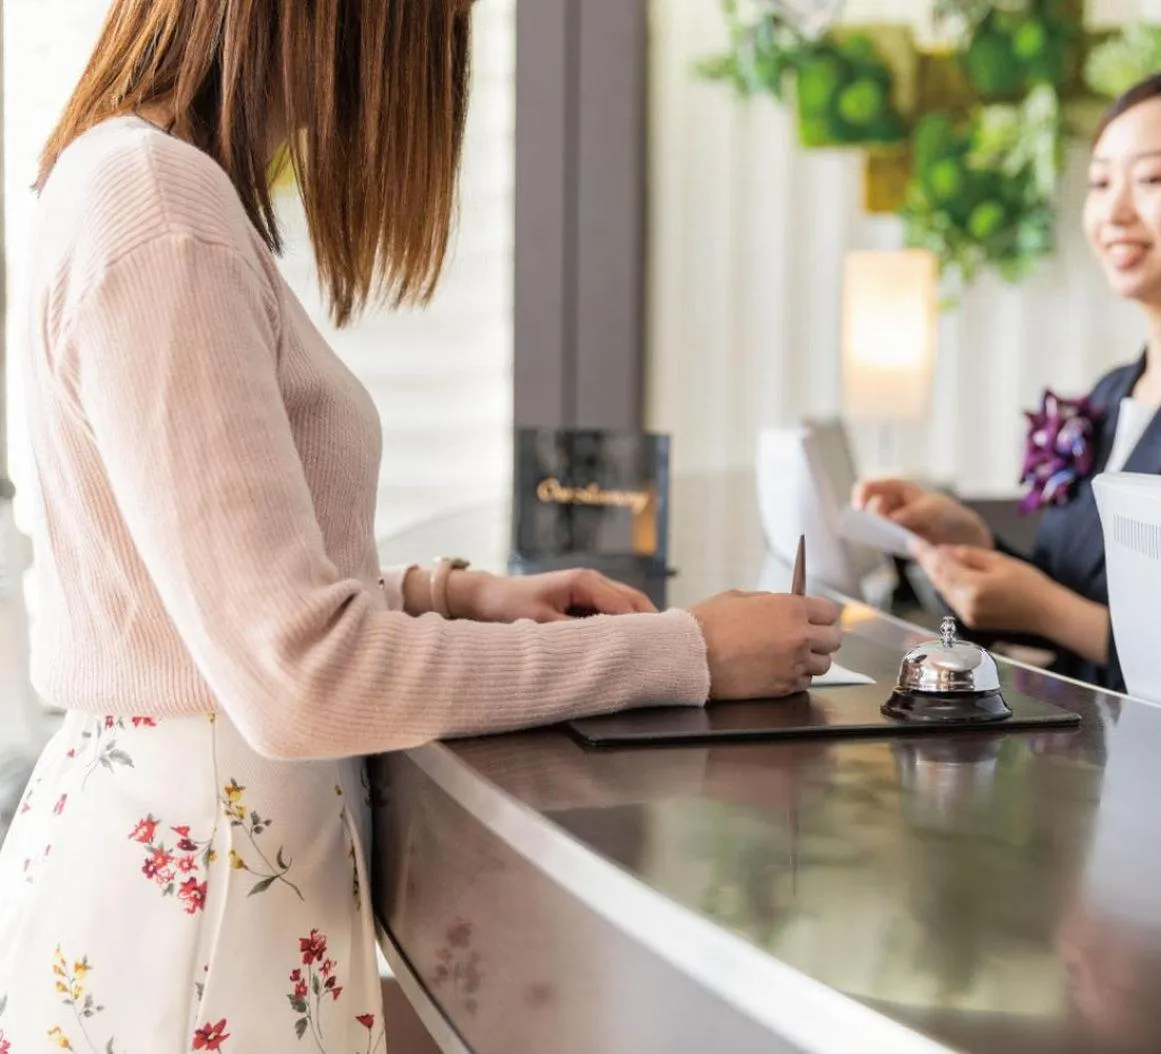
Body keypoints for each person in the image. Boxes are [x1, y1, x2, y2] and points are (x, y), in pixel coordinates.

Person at [0, 2, 841, 1048]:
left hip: (202, 864)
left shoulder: (134, 180)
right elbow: (299, 680)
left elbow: (187, 604)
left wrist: (444, 594)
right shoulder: (159, 204)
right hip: (202, 893)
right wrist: (685, 651)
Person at [856, 65, 1161, 693]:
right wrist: (975, 542)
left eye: (1150, 178)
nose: (1113, 210)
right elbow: (1083, 599)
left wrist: (1048, 611)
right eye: (1099, 182)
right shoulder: (1112, 393)